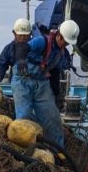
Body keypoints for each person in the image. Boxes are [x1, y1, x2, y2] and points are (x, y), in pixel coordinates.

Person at [10, 20, 79, 150]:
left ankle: (58, 152)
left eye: (68, 43)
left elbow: (54, 73)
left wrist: (57, 95)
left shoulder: (60, 53)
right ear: (59, 35)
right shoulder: (42, 41)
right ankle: (22, 152)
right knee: (23, 117)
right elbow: (22, 48)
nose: (66, 45)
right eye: (65, 41)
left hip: (41, 83)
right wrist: (20, 61)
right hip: (22, 81)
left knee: (53, 119)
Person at [0, 18, 33, 87]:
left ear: (30, 34)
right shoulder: (9, 49)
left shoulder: (36, 47)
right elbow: (2, 63)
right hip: (18, 83)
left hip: (35, 81)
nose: (22, 38)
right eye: (20, 35)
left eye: (25, 35)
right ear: (14, 33)